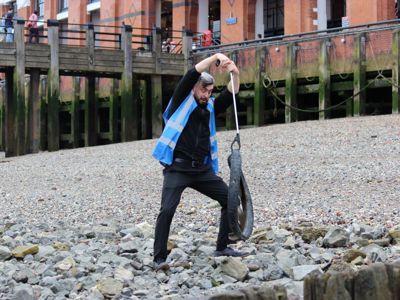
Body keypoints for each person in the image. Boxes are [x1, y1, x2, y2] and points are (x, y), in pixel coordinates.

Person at [152, 53, 246, 271]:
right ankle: (159, 258)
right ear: (194, 88)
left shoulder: (210, 106)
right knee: (167, 210)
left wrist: (235, 73)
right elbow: (192, 73)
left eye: (210, 91)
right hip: (178, 168)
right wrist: (215, 57)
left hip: (202, 170)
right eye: (203, 90)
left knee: (230, 199)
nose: (206, 95)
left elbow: (232, 93)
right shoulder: (179, 103)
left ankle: (222, 246)